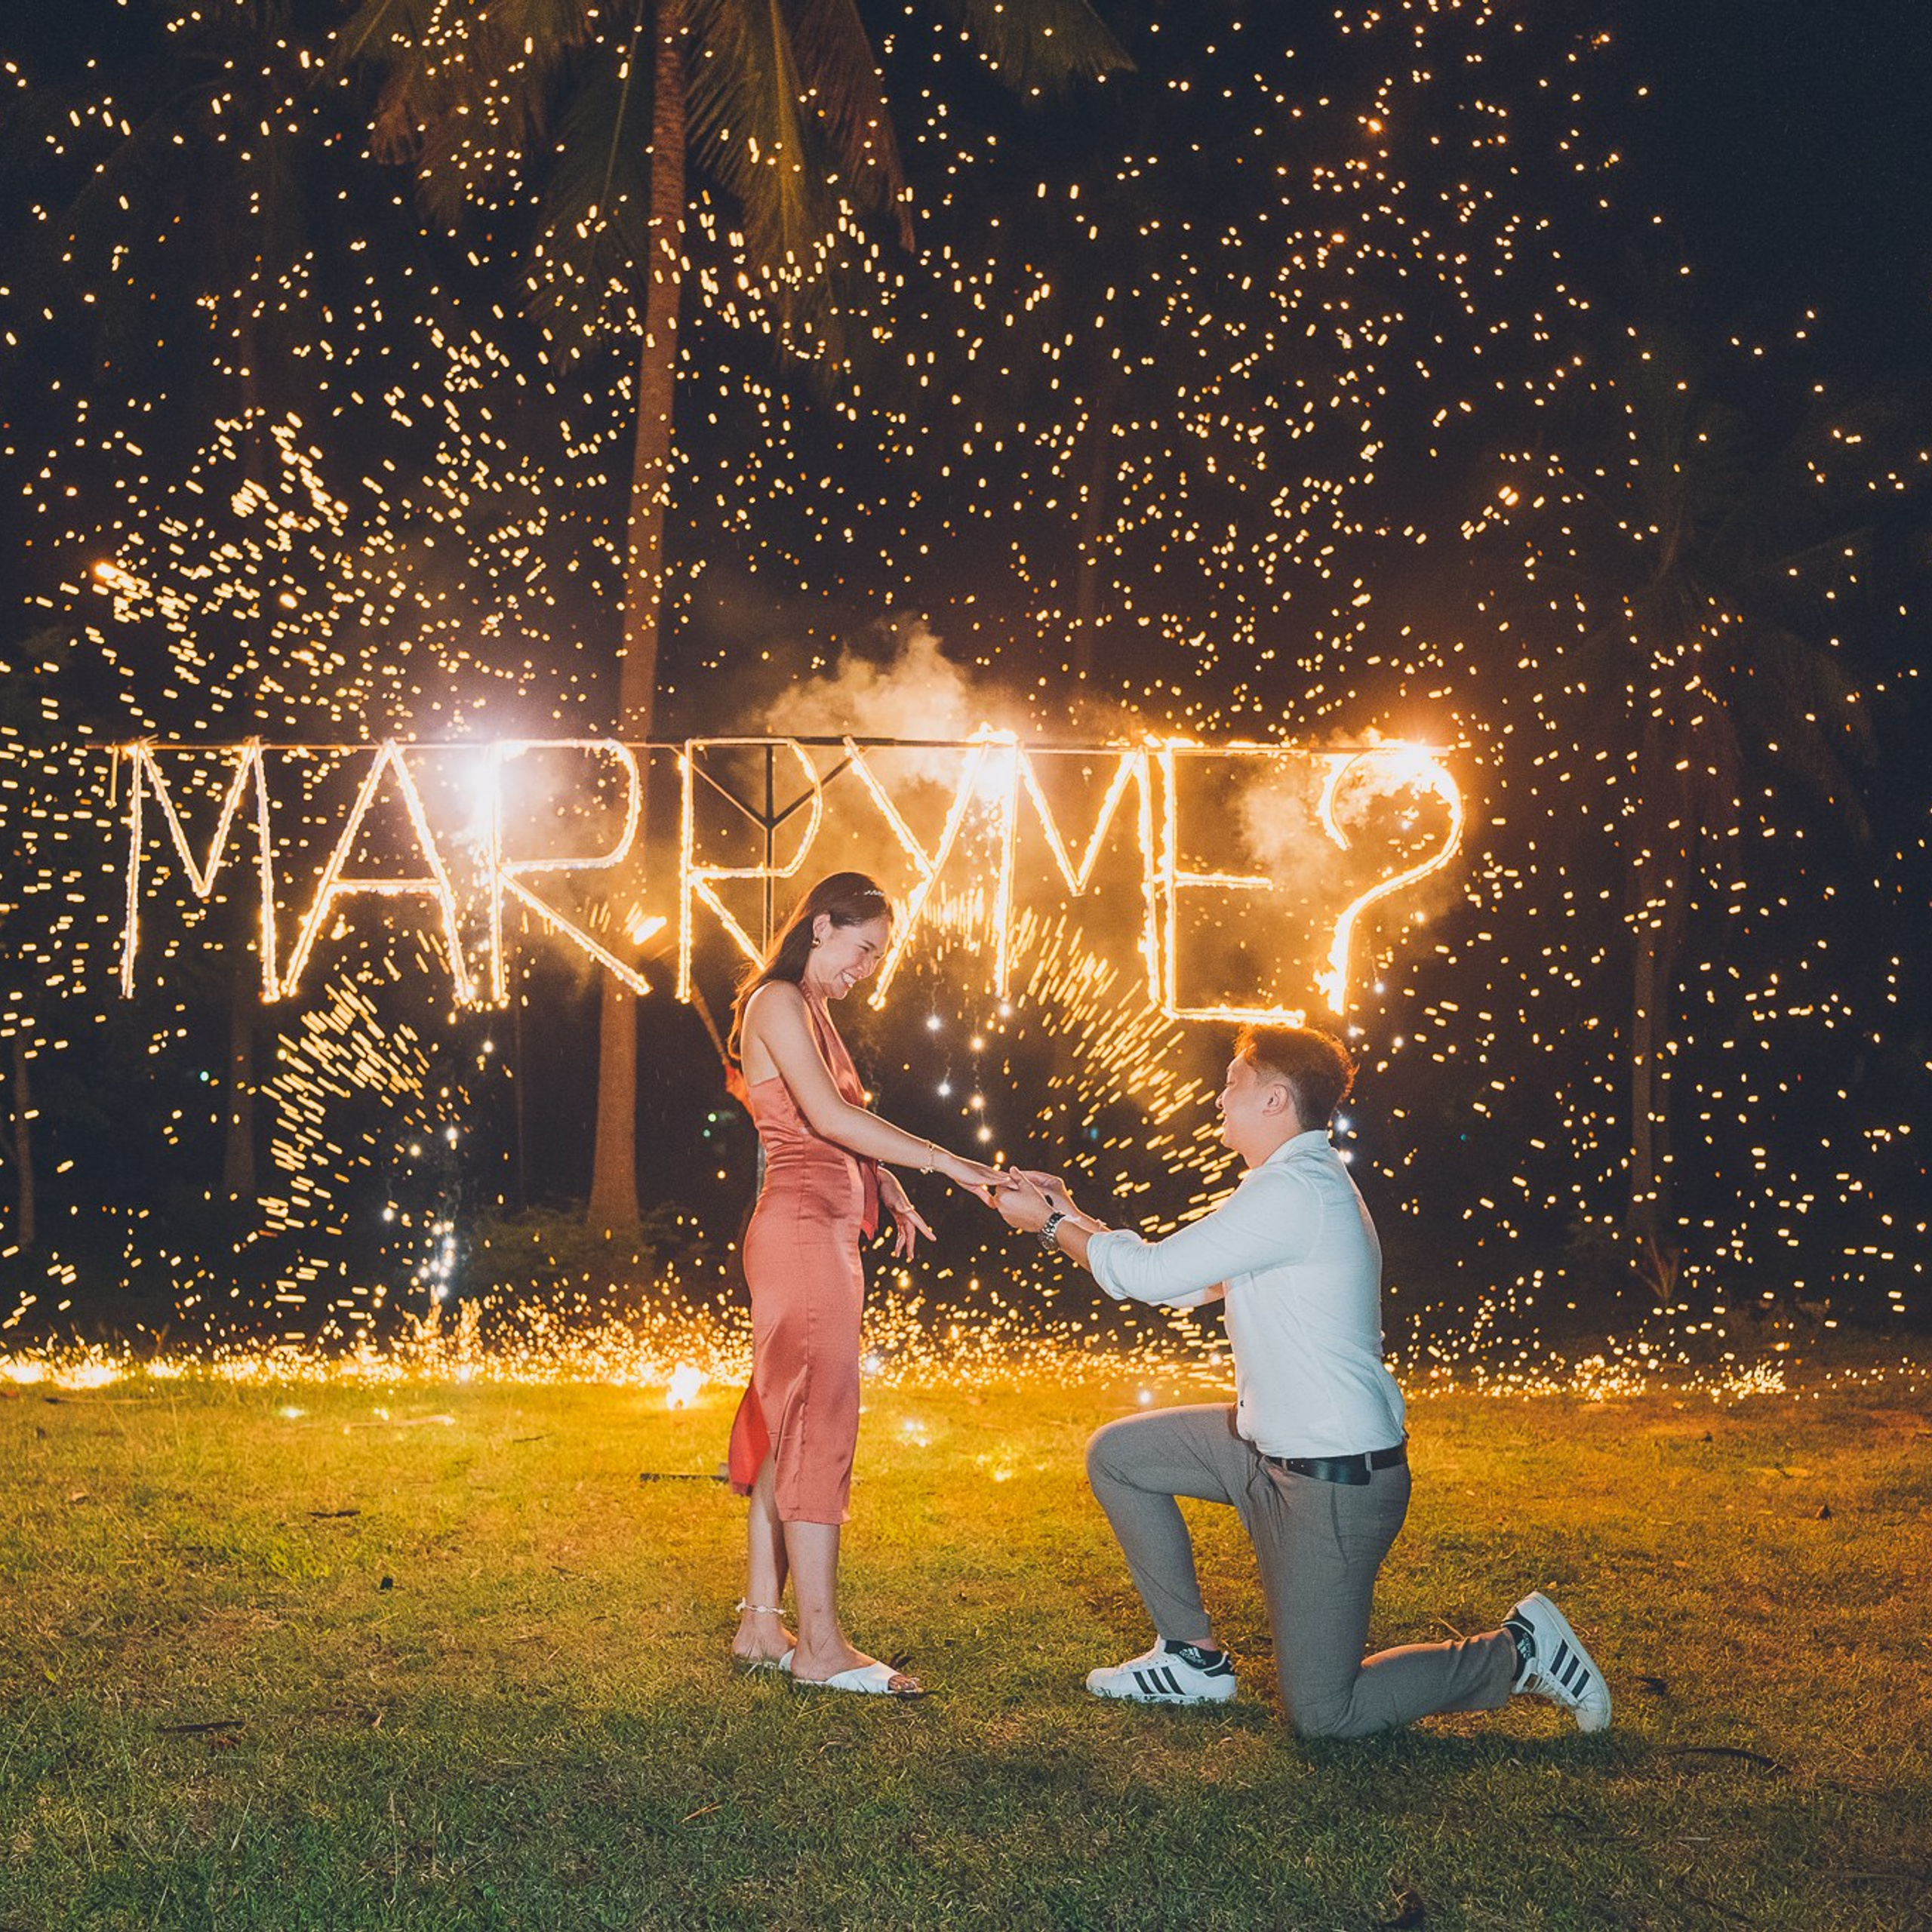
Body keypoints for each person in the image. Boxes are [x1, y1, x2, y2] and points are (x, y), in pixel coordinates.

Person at [992, 1023, 1611, 1738]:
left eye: (1234, 1083)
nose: (1219, 1095)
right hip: (1265, 1453)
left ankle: (1520, 1650)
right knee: (1121, 1456)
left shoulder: (1296, 1193)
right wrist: (1065, 1212)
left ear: (1276, 1101)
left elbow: (1151, 1278)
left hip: (1334, 1481)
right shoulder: (1285, 1189)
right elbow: (1183, 1281)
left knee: (1325, 1713)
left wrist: (1047, 1226)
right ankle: (1192, 1659)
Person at [726, 871, 1000, 1697]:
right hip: (802, 1233)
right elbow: (827, 1120)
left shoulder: (811, 1012)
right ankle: (818, 1646)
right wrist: (948, 1162)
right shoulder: (776, 1000)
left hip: (821, 1229)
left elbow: (835, 1129)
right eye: (864, 947)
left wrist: (888, 1185)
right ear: (820, 926)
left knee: (790, 1420)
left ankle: (759, 1625)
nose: (869, 967)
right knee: (819, 1422)